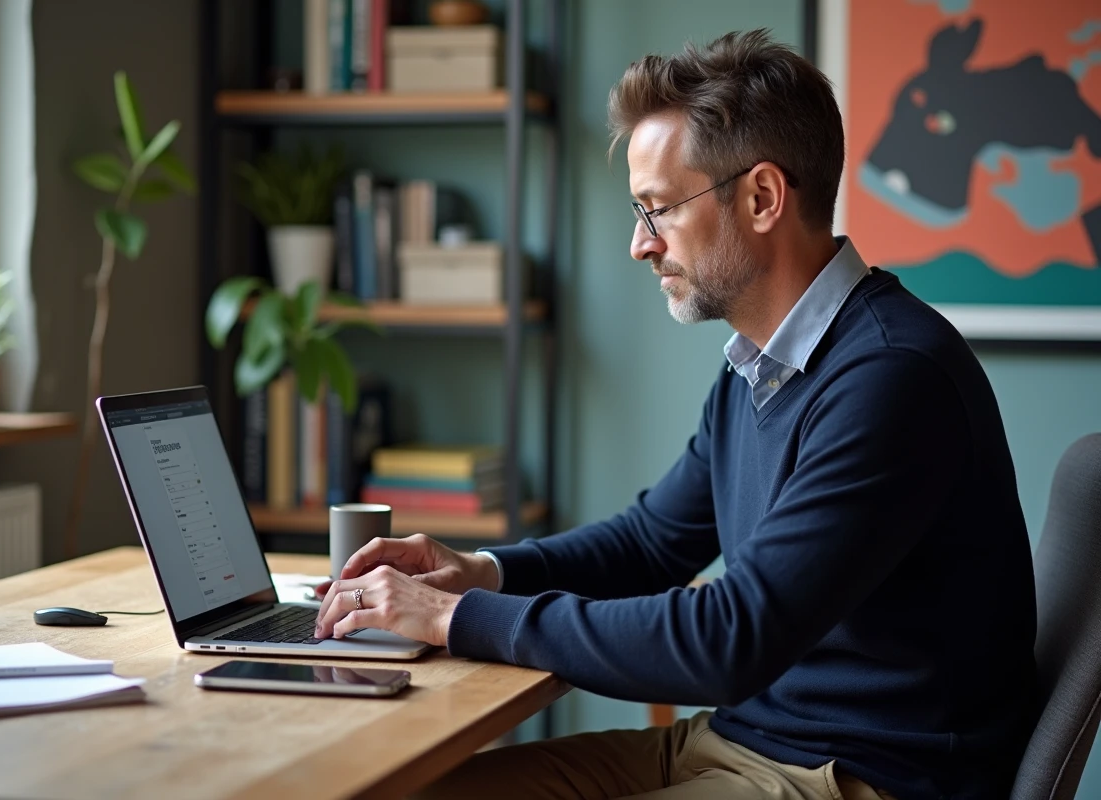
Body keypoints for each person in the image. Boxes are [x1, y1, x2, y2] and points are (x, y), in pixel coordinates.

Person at [314, 29, 1036, 800]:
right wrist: (481, 571)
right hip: (738, 739)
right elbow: (653, 541)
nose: (639, 244)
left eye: (658, 209)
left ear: (761, 197)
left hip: (857, 776)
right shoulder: (759, 364)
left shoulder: (892, 376)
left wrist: (459, 618)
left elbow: (731, 637)